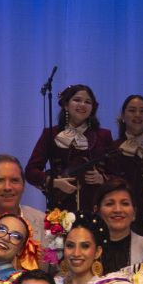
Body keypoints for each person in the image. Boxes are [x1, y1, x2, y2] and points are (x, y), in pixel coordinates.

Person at [27, 84, 115, 213]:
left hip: (95, 208)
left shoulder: (103, 135)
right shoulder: (51, 133)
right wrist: (55, 182)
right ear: (66, 105)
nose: (82, 105)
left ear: (92, 108)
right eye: (77, 100)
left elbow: (118, 175)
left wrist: (102, 178)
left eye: (88, 102)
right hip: (60, 209)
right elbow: (30, 171)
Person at [95, 182, 143, 272]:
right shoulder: (84, 248)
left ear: (134, 212)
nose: (117, 210)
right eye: (109, 204)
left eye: (125, 203)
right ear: (97, 211)